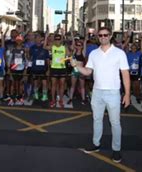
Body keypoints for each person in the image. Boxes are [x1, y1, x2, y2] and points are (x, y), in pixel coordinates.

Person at [73, 27, 130, 163]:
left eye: (105, 35)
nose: (103, 37)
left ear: (110, 36)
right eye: (100, 35)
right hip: (97, 92)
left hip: (113, 92)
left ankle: (116, 150)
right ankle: (95, 144)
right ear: (98, 37)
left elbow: (125, 74)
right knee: (96, 120)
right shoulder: (93, 53)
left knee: (115, 123)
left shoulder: (119, 53)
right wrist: (76, 66)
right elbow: (87, 72)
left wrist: (127, 94)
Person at [46, 33, 70, 108]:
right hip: (54, 68)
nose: (57, 41)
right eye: (56, 39)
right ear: (54, 40)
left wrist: (63, 59)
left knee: (62, 85)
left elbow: (69, 56)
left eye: (59, 39)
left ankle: (61, 100)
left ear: (61, 40)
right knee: (53, 85)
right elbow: (44, 47)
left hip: (62, 68)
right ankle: (53, 100)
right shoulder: (52, 47)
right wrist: (46, 37)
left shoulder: (64, 47)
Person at [29, 32, 50, 102]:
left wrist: (48, 69)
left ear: (42, 38)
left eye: (38, 37)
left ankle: (44, 95)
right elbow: (29, 58)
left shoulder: (45, 47)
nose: (36, 38)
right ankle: (35, 94)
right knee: (35, 82)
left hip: (43, 68)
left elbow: (47, 59)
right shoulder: (32, 48)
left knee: (44, 83)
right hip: (35, 68)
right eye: (35, 37)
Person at [68, 37, 87, 105]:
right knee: (72, 86)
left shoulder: (83, 52)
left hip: (81, 71)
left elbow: (85, 43)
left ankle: (83, 99)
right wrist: (72, 35)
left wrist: (86, 36)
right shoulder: (74, 52)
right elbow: (73, 43)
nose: (78, 46)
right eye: (77, 45)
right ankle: (70, 98)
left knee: (82, 86)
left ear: (82, 46)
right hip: (75, 71)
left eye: (80, 45)